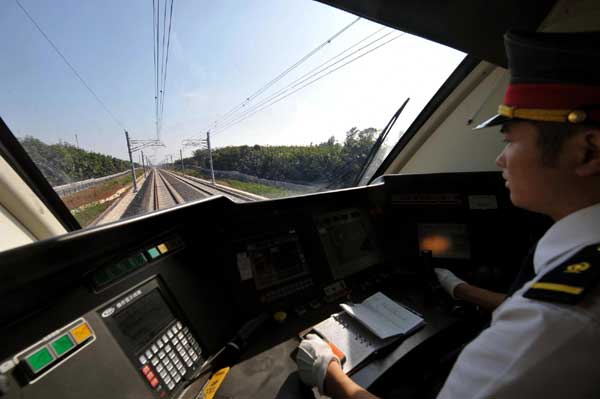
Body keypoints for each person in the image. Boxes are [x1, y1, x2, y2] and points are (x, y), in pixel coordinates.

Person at [296, 29, 600, 398]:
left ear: (588, 152)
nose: (500, 159)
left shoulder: (554, 323)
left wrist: (329, 375)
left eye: (511, 140)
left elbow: (548, 315)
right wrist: (464, 290)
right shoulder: (572, 284)